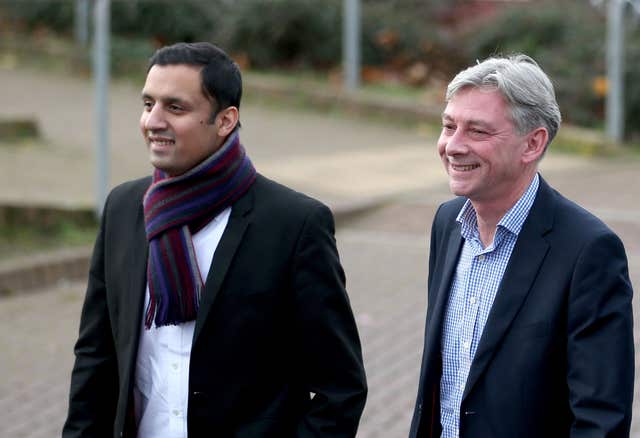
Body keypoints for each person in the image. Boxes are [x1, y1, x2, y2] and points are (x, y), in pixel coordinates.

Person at [63, 42, 367, 438]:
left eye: (175, 108)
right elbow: (96, 356)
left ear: (225, 120)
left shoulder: (294, 224)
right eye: (147, 103)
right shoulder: (124, 209)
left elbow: (340, 386)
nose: (153, 121)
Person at [409, 54, 634, 438]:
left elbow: (601, 420)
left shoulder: (589, 251)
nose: (453, 146)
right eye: (449, 126)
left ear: (533, 143)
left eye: (477, 132)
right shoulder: (447, 223)